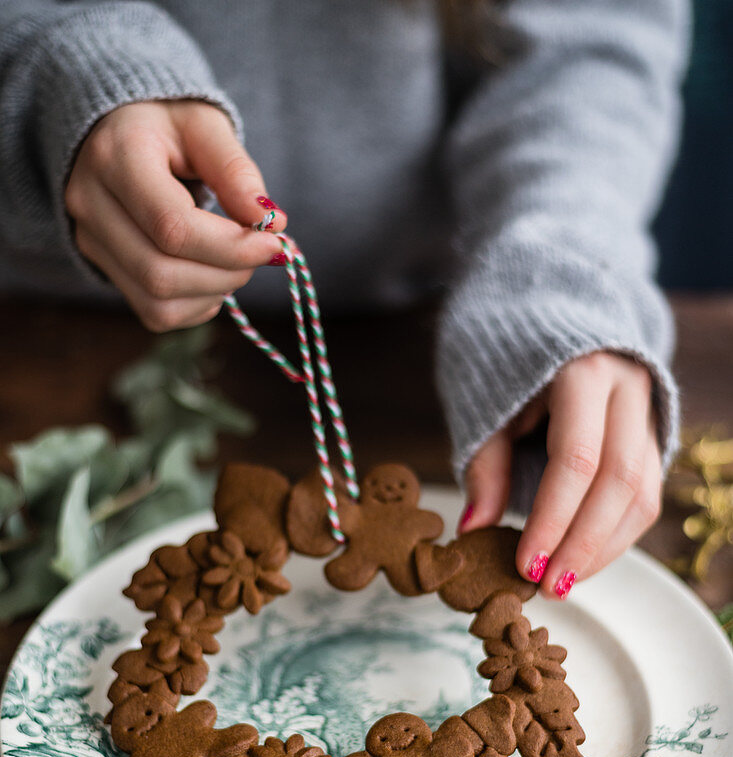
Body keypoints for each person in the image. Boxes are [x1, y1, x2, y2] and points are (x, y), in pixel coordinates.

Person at [0, 0, 689, 600]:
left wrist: (558, 269)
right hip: (56, 334)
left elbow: (588, 46)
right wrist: (62, 81)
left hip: (430, 354)